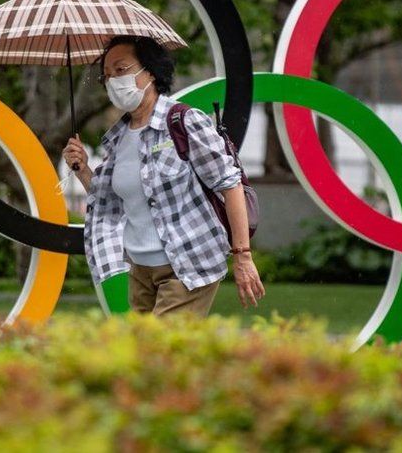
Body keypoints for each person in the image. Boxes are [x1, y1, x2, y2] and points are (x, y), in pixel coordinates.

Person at [62, 35, 264, 316]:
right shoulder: (118, 138)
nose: (113, 81)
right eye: (106, 76)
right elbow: (109, 200)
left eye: (121, 70)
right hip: (140, 271)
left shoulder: (183, 121)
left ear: (151, 72)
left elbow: (230, 185)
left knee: (157, 354)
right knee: (151, 356)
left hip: (188, 265)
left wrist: (242, 256)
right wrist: (82, 169)